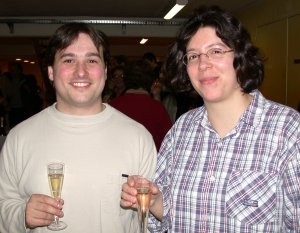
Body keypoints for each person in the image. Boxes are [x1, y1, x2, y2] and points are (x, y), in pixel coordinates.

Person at [120, 6, 300, 233]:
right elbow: (169, 216)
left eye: (216, 51)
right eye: (194, 56)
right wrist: (154, 201)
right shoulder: (181, 131)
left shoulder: (289, 131)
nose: (203, 64)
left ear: (240, 57)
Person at [0, 22, 157, 233]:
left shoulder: (138, 137)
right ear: (51, 72)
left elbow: (148, 222)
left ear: (105, 70)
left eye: (91, 60)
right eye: (69, 60)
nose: (81, 72)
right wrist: (22, 215)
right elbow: (4, 202)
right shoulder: (19, 137)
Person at [110, 64, 172, 151]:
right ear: (150, 81)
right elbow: (168, 142)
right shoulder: (158, 108)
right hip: (150, 161)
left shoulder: (112, 106)